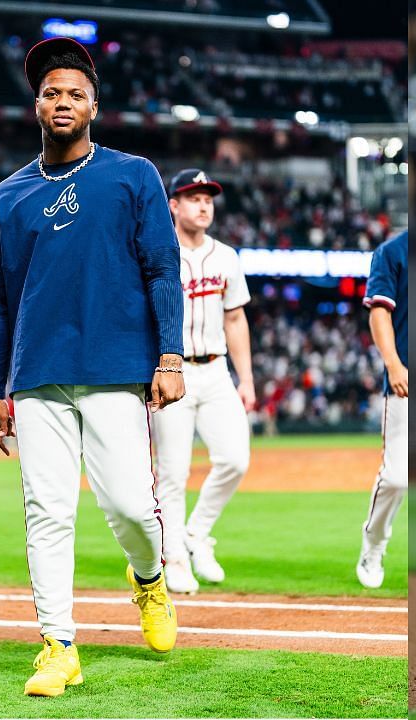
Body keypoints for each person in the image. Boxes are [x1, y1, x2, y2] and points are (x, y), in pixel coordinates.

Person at [0, 37, 183, 698]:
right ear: (35, 105)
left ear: (94, 104)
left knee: (129, 504)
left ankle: (148, 580)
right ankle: (58, 647)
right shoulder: (7, 197)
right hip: (37, 374)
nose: (61, 101)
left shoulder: (132, 175)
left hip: (114, 366)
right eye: (50, 92)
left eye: (74, 92)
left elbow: (162, 269)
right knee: (47, 508)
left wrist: (170, 354)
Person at [151, 168, 255, 594]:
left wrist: (246, 378)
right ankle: (174, 556)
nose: (204, 204)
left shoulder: (226, 257)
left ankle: (196, 533)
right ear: (173, 205)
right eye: (193, 197)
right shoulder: (157, 252)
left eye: (208, 198)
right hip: (172, 372)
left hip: (214, 370)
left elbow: (235, 318)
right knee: (172, 472)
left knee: (235, 458)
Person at [357, 230, 407, 590]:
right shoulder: (392, 251)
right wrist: (392, 363)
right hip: (408, 380)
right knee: (396, 478)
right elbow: (379, 311)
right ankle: (373, 545)